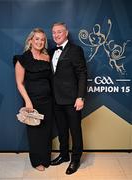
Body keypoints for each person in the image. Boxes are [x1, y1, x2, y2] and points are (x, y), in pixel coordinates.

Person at [50, 22, 87, 175]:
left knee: (75, 131)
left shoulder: (75, 50)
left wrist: (80, 97)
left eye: (59, 32)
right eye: (53, 32)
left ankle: (75, 159)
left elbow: (82, 74)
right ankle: (64, 155)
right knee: (62, 130)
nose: (56, 35)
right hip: (56, 99)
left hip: (72, 100)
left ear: (66, 33)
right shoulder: (51, 51)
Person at [13, 28, 53, 171]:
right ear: (30, 41)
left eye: (42, 39)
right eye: (37, 39)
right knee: (35, 132)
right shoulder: (22, 59)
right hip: (32, 101)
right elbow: (19, 83)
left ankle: (46, 158)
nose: (40, 42)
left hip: (48, 100)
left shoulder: (47, 57)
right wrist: (28, 101)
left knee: (47, 131)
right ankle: (37, 161)